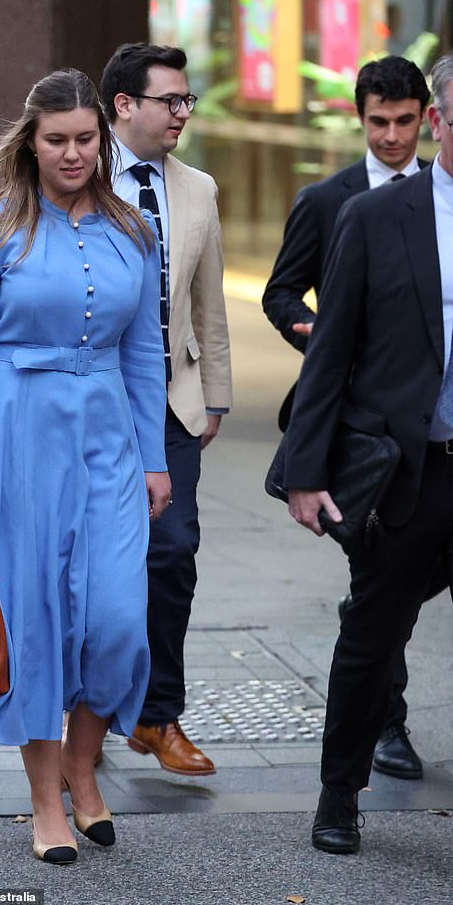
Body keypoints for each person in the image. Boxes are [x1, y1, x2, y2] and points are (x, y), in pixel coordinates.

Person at [0, 69, 170, 866]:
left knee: (117, 621)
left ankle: (82, 761)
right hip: (15, 431)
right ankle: (47, 800)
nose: (73, 153)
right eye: (56, 140)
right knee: (32, 618)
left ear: (103, 138)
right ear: (31, 142)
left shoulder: (133, 226)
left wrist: (156, 458)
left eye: (85, 139)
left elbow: (146, 353)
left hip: (108, 434)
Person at [282, 52, 453, 855]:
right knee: (374, 634)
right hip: (410, 470)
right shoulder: (374, 216)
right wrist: (307, 472)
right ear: (441, 120)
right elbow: (331, 350)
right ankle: (339, 791)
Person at [100, 43, 232, 775]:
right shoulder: (78, 177)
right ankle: (79, 709)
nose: (183, 112)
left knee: (173, 549)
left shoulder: (199, 190)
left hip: (171, 402)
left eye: (187, 101)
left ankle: (157, 715)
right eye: (170, 100)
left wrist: (215, 393)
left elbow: (209, 303)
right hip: (92, 401)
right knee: (91, 560)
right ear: (125, 105)